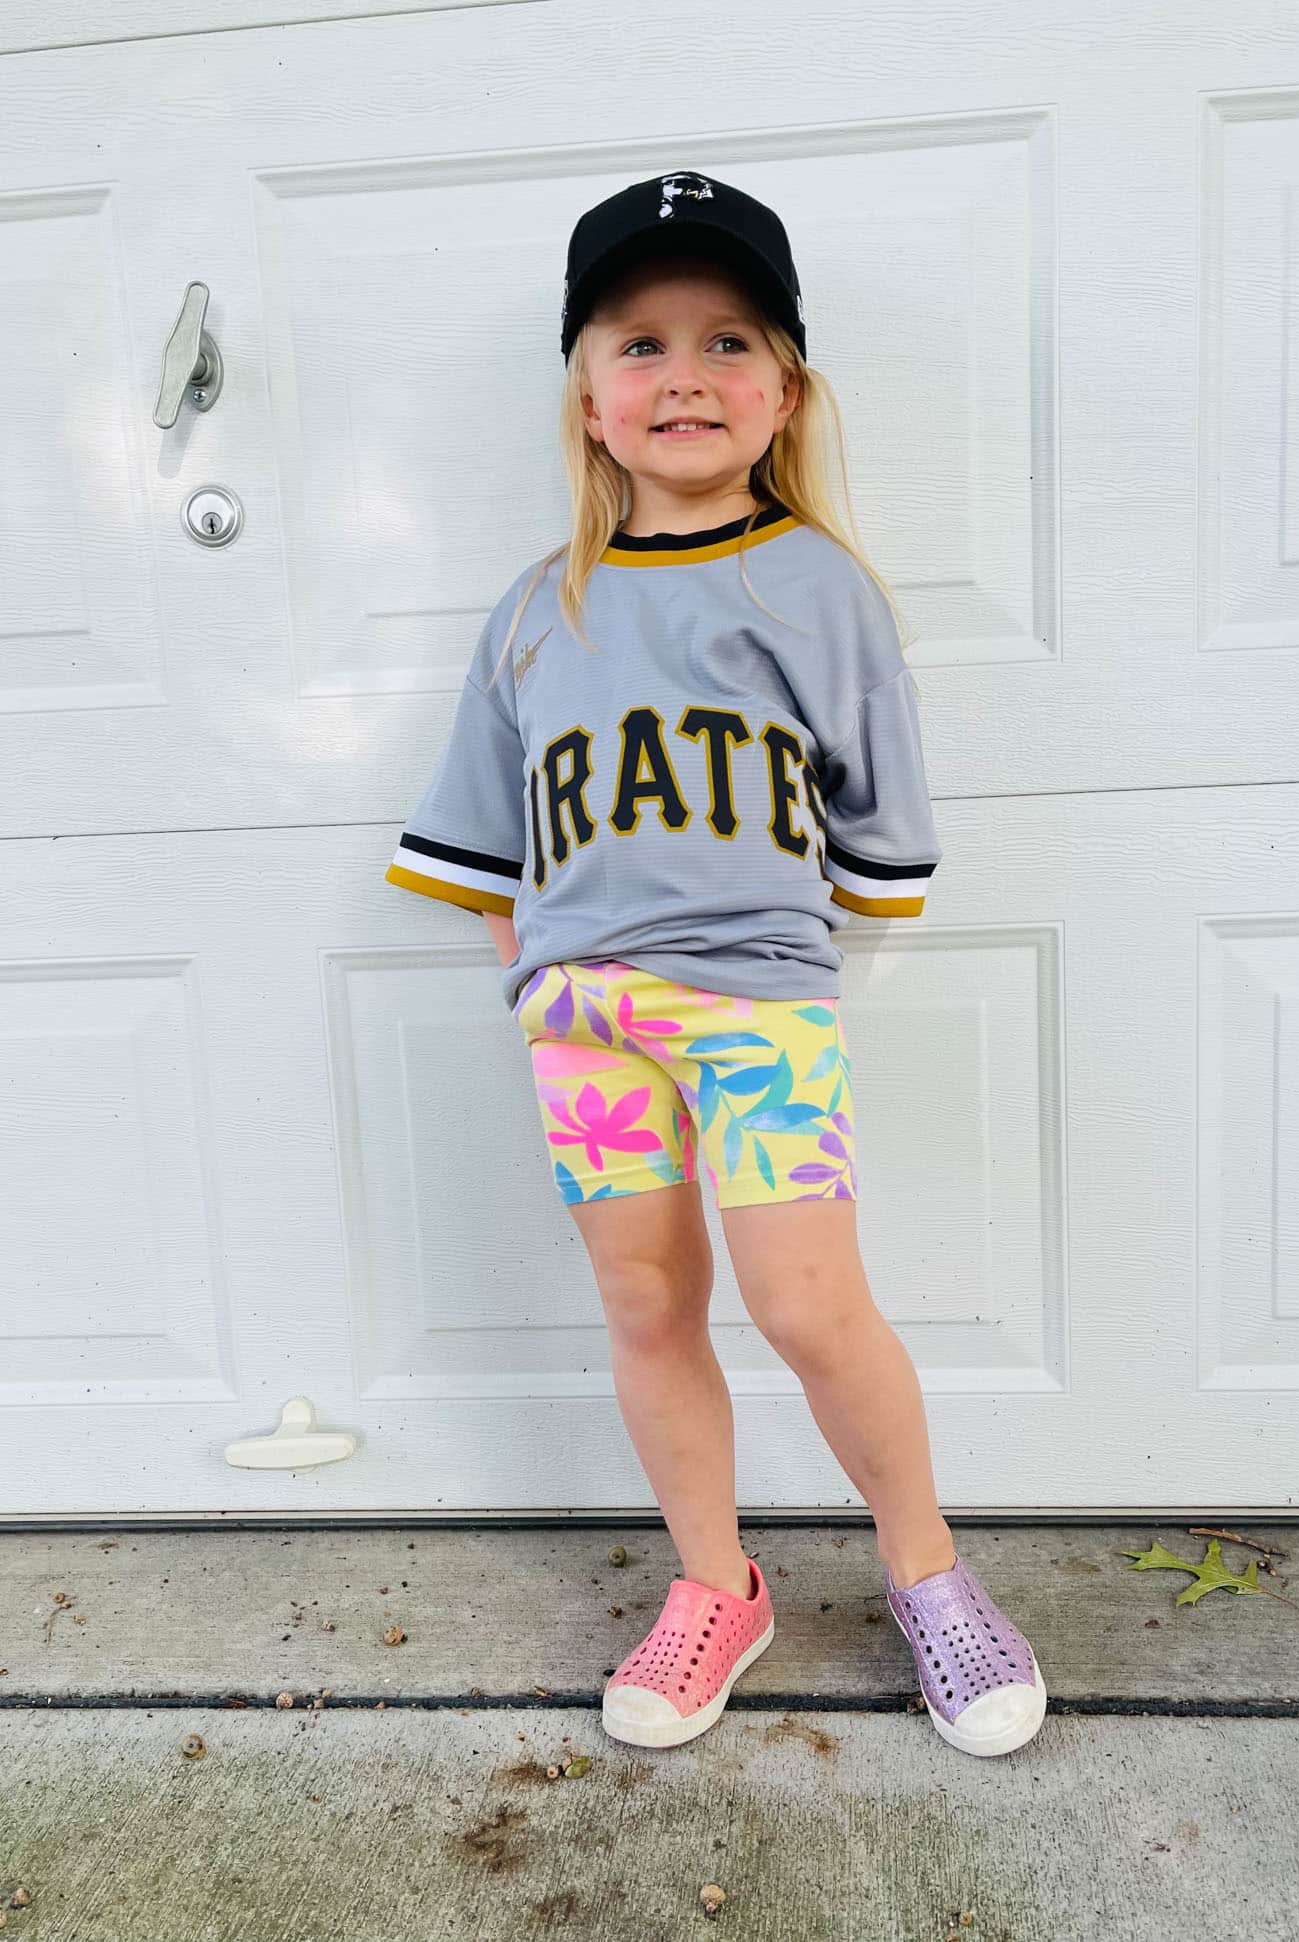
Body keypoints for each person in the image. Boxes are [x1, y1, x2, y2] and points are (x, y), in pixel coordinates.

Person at [385, 169, 1046, 1759]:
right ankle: (714, 1583)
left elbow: (877, 843)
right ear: (588, 400)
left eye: (729, 340)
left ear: (785, 392)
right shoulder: (534, 610)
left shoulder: (818, 587)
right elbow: (484, 847)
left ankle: (928, 1569)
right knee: (643, 1298)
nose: (684, 374)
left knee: (810, 1305)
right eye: (641, 343)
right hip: (587, 1031)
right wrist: (537, 981)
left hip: (755, 1012)